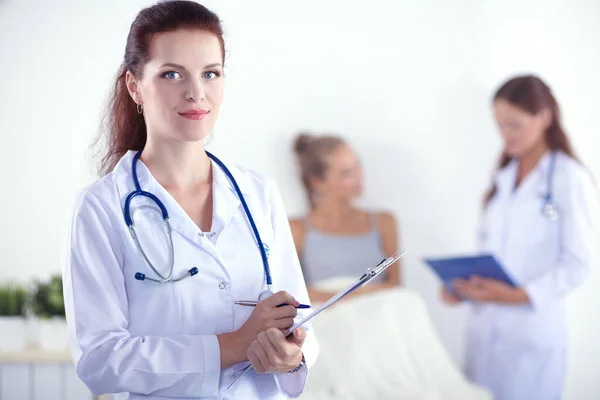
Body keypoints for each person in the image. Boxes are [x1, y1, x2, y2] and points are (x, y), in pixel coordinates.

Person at [62, 2, 318, 399]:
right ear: (134, 86)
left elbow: (303, 323)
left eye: (210, 73)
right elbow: (100, 360)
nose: (196, 92)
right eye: (171, 74)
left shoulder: (258, 193)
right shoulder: (102, 207)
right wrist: (233, 344)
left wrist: (291, 357)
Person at [441, 75, 598, 400]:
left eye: (514, 124)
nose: (504, 135)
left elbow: (577, 264)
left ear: (544, 117)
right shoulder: (503, 178)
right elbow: (491, 252)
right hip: (485, 331)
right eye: (499, 125)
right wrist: (464, 287)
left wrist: (517, 295)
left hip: (531, 334)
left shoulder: (569, 178)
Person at [289, 133, 402, 303]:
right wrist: (351, 297)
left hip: (380, 317)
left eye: (358, 165)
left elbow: (395, 286)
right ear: (318, 181)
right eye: (346, 173)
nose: (359, 177)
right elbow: (292, 293)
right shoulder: (297, 229)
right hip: (327, 321)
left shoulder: (384, 222)